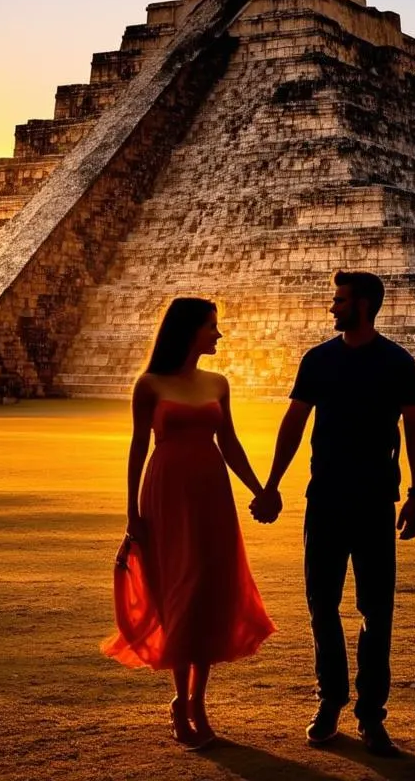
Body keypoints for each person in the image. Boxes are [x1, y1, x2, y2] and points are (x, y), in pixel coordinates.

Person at [250, 270, 415, 758]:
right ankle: (330, 700)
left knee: (377, 612)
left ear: (365, 305)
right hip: (324, 498)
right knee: (321, 606)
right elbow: (293, 424)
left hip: (375, 502)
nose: (332, 307)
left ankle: (371, 715)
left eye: (341, 300)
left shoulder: (397, 363)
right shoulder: (318, 360)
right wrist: (271, 484)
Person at [102, 297, 274, 749]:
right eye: (212, 326)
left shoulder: (218, 383)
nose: (218, 334)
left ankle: (197, 701)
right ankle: (182, 701)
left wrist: (259, 489)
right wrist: (131, 513)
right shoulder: (150, 384)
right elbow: (138, 448)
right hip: (167, 495)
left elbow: (230, 443)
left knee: (210, 592)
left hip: (212, 495)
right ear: (190, 330)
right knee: (181, 591)